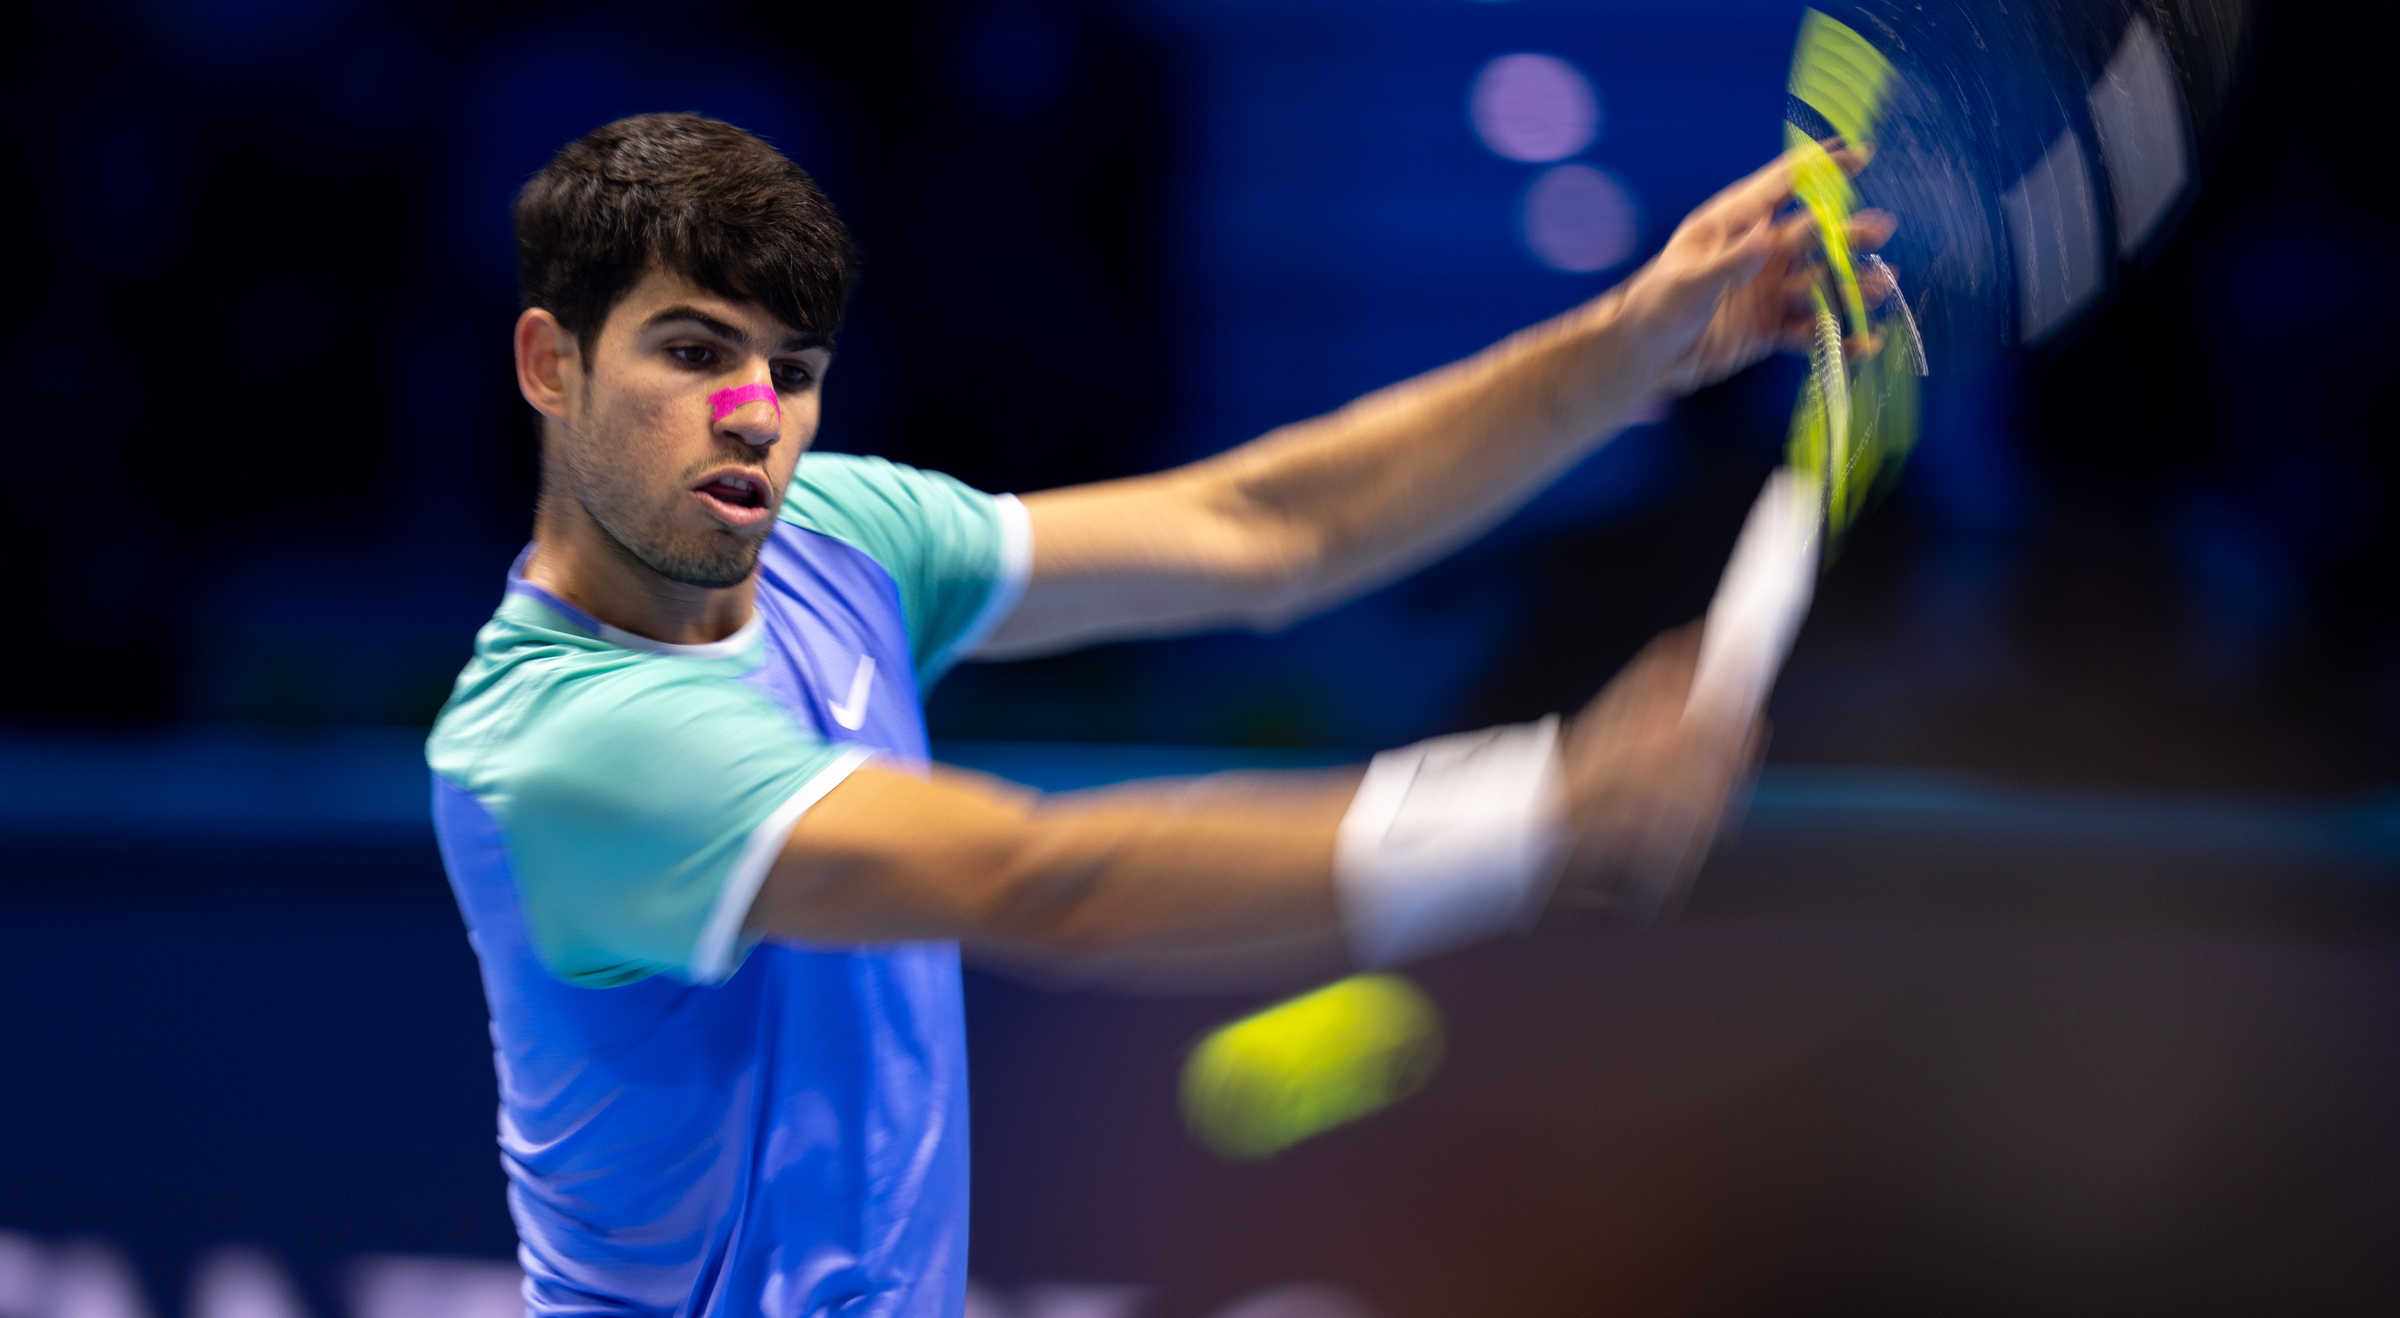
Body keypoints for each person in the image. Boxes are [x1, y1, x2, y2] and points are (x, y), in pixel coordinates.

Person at [429, 112, 1881, 1318]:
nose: (753, 413)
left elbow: (1268, 526)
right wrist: (1540, 809)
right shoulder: (568, 748)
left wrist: (1633, 342)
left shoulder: (836, 537)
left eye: (790, 372)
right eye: (690, 353)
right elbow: (1042, 879)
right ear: (552, 365)